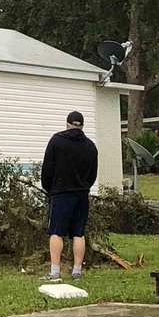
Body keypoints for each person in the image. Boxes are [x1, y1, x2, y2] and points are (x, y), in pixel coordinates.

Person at [39, 111, 98, 282]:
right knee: (78, 233)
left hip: (61, 194)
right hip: (82, 195)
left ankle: (55, 271)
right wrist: (84, 186)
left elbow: (47, 169)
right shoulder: (90, 146)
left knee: (56, 232)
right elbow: (92, 174)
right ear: (82, 125)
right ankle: (77, 271)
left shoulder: (57, 141)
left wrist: (49, 188)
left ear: (67, 124)